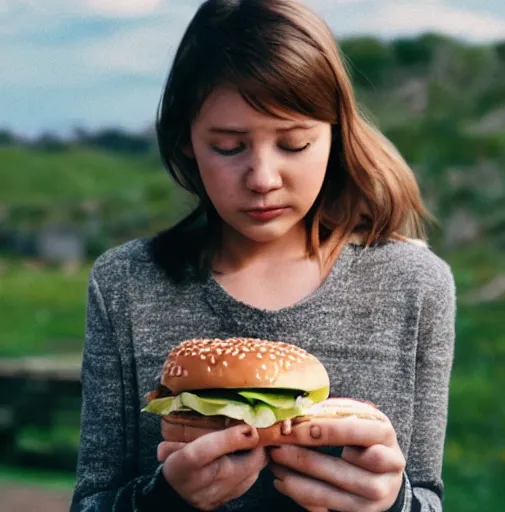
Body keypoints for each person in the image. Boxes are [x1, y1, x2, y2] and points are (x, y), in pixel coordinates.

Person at [70, 0, 456, 511]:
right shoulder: (125, 284)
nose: (263, 179)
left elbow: (427, 497)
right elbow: (91, 502)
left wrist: (393, 502)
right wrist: (164, 499)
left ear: (336, 135)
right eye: (229, 147)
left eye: (294, 144)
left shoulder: (417, 284)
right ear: (186, 140)